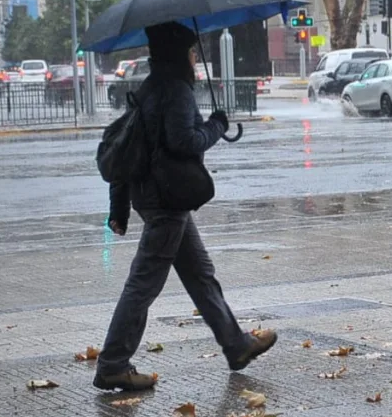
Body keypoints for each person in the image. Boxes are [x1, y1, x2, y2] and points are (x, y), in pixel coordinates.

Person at [95, 22, 277, 392]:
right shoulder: (175, 90)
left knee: (199, 273)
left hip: (156, 196)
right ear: (181, 53)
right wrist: (216, 126)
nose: (195, 57)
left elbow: (137, 144)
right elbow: (184, 141)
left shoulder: (151, 87)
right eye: (192, 51)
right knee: (143, 283)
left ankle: (236, 345)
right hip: (167, 200)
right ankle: (113, 363)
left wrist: (120, 208)